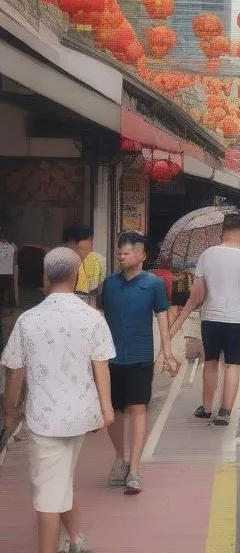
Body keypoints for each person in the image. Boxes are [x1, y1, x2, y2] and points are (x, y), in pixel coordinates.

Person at [2, 247, 116, 553]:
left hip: (45, 419)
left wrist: (10, 411)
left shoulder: (28, 319)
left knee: (47, 497)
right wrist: (106, 409)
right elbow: (101, 365)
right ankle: (77, 539)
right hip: (81, 415)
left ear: (45, 276)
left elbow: (14, 372)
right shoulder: (92, 317)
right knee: (59, 478)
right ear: (77, 274)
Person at [100, 231, 179, 496]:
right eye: (120, 252)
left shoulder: (153, 284)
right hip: (110, 358)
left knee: (138, 410)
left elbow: (162, 317)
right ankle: (119, 457)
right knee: (112, 413)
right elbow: (100, 319)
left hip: (140, 357)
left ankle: (134, 469)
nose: (122, 255)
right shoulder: (109, 284)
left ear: (142, 255)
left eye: (127, 252)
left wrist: (167, 352)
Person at [169, 213, 240, 427]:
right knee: (232, 364)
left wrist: (178, 322)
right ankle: (225, 413)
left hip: (210, 318)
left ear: (222, 230)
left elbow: (197, 294)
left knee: (210, 362)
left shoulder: (207, 255)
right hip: (236, 319)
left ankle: (207, 407)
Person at [64, 224, 105, 307]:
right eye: (88, 239)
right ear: (72, 242)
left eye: (91, 239)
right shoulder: (62, 261)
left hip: (89, 309)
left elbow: (100, 288)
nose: (91, 243)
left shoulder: (98, 260)